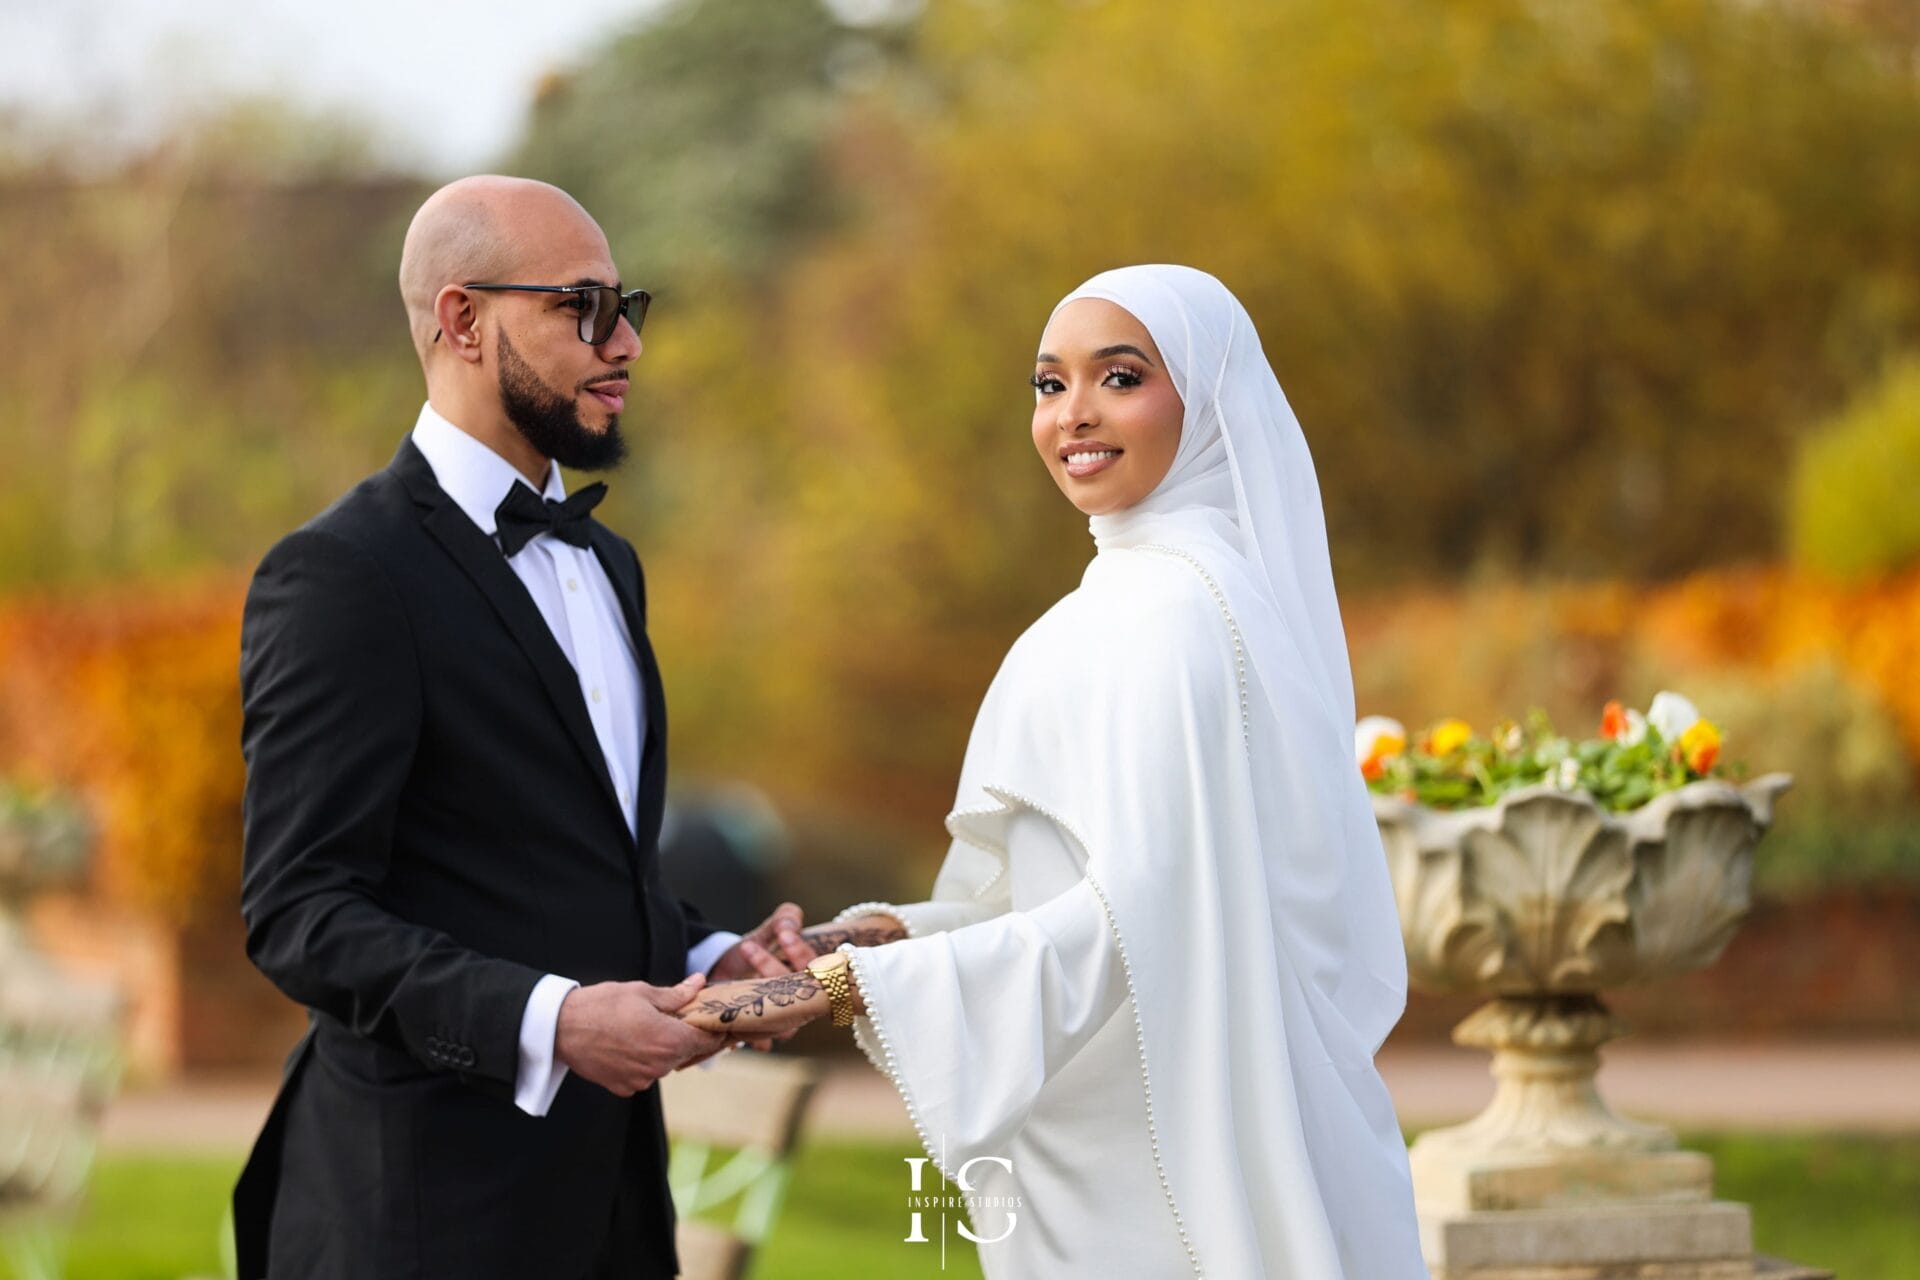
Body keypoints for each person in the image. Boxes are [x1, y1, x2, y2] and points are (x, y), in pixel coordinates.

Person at [685, 265, 1429, 1276]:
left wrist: (839, 987)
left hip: (1174, 1171)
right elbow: (1051, 896)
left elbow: (1141, 921)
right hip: (1107, 1148)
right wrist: (869, 935)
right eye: (1049, 383)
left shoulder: (1182, 617)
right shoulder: (1105, 608)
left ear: (1206, 398)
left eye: (1119, 377)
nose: (1074, 412)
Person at [231, 175, 812, 1280]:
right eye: (582, 307)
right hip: (416, 1217)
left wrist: (707, 954)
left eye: (628, 305)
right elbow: (300, 910)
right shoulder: (344, 575)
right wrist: (552, 1020)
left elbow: (565, 858)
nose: (627, 341)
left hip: (612, 1212)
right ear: (461, 319)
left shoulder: (608, 564)